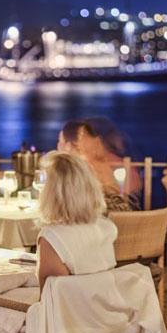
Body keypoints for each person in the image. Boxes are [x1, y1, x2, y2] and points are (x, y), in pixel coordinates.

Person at [36, 151, 117, 290]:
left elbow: (51, 294)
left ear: (52, 193)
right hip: (105, 301)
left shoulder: (52, 238)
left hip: (72, 304)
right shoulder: (106, 228)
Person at [57, 120, 134, 212]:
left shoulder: (82, 167)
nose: (58, 146)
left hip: (103, 214)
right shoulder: (94, 162)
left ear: (69, 146)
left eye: (60, 141)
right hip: (112, 212)